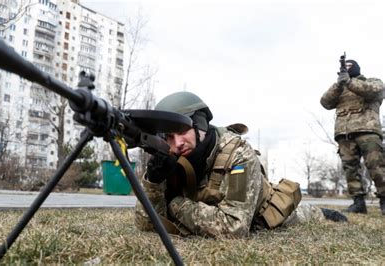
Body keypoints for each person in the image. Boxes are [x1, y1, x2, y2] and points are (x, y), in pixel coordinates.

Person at [135, 91, 347, 238]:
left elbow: (234, 228)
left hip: (261, 210)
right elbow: (145, 223)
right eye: (169, 137)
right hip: (210, 206)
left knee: (303, 213)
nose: (177, 144)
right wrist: (153, 183)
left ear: (200, 124)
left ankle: (323, 212)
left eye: (182, 132)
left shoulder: (237, 153)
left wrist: (174, 204)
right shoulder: (168, 156)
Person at [320, 59, 385, 215]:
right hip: (345, 134)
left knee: (377, 167)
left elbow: (373, 91)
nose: (347, 70)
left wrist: (350, 82)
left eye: (349, 68)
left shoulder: (372, 81)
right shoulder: (340, 88)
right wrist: (339, 84)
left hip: (368, 130)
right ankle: (358, 202)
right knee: (350, 169)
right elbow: (325, 102)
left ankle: (384, 200)